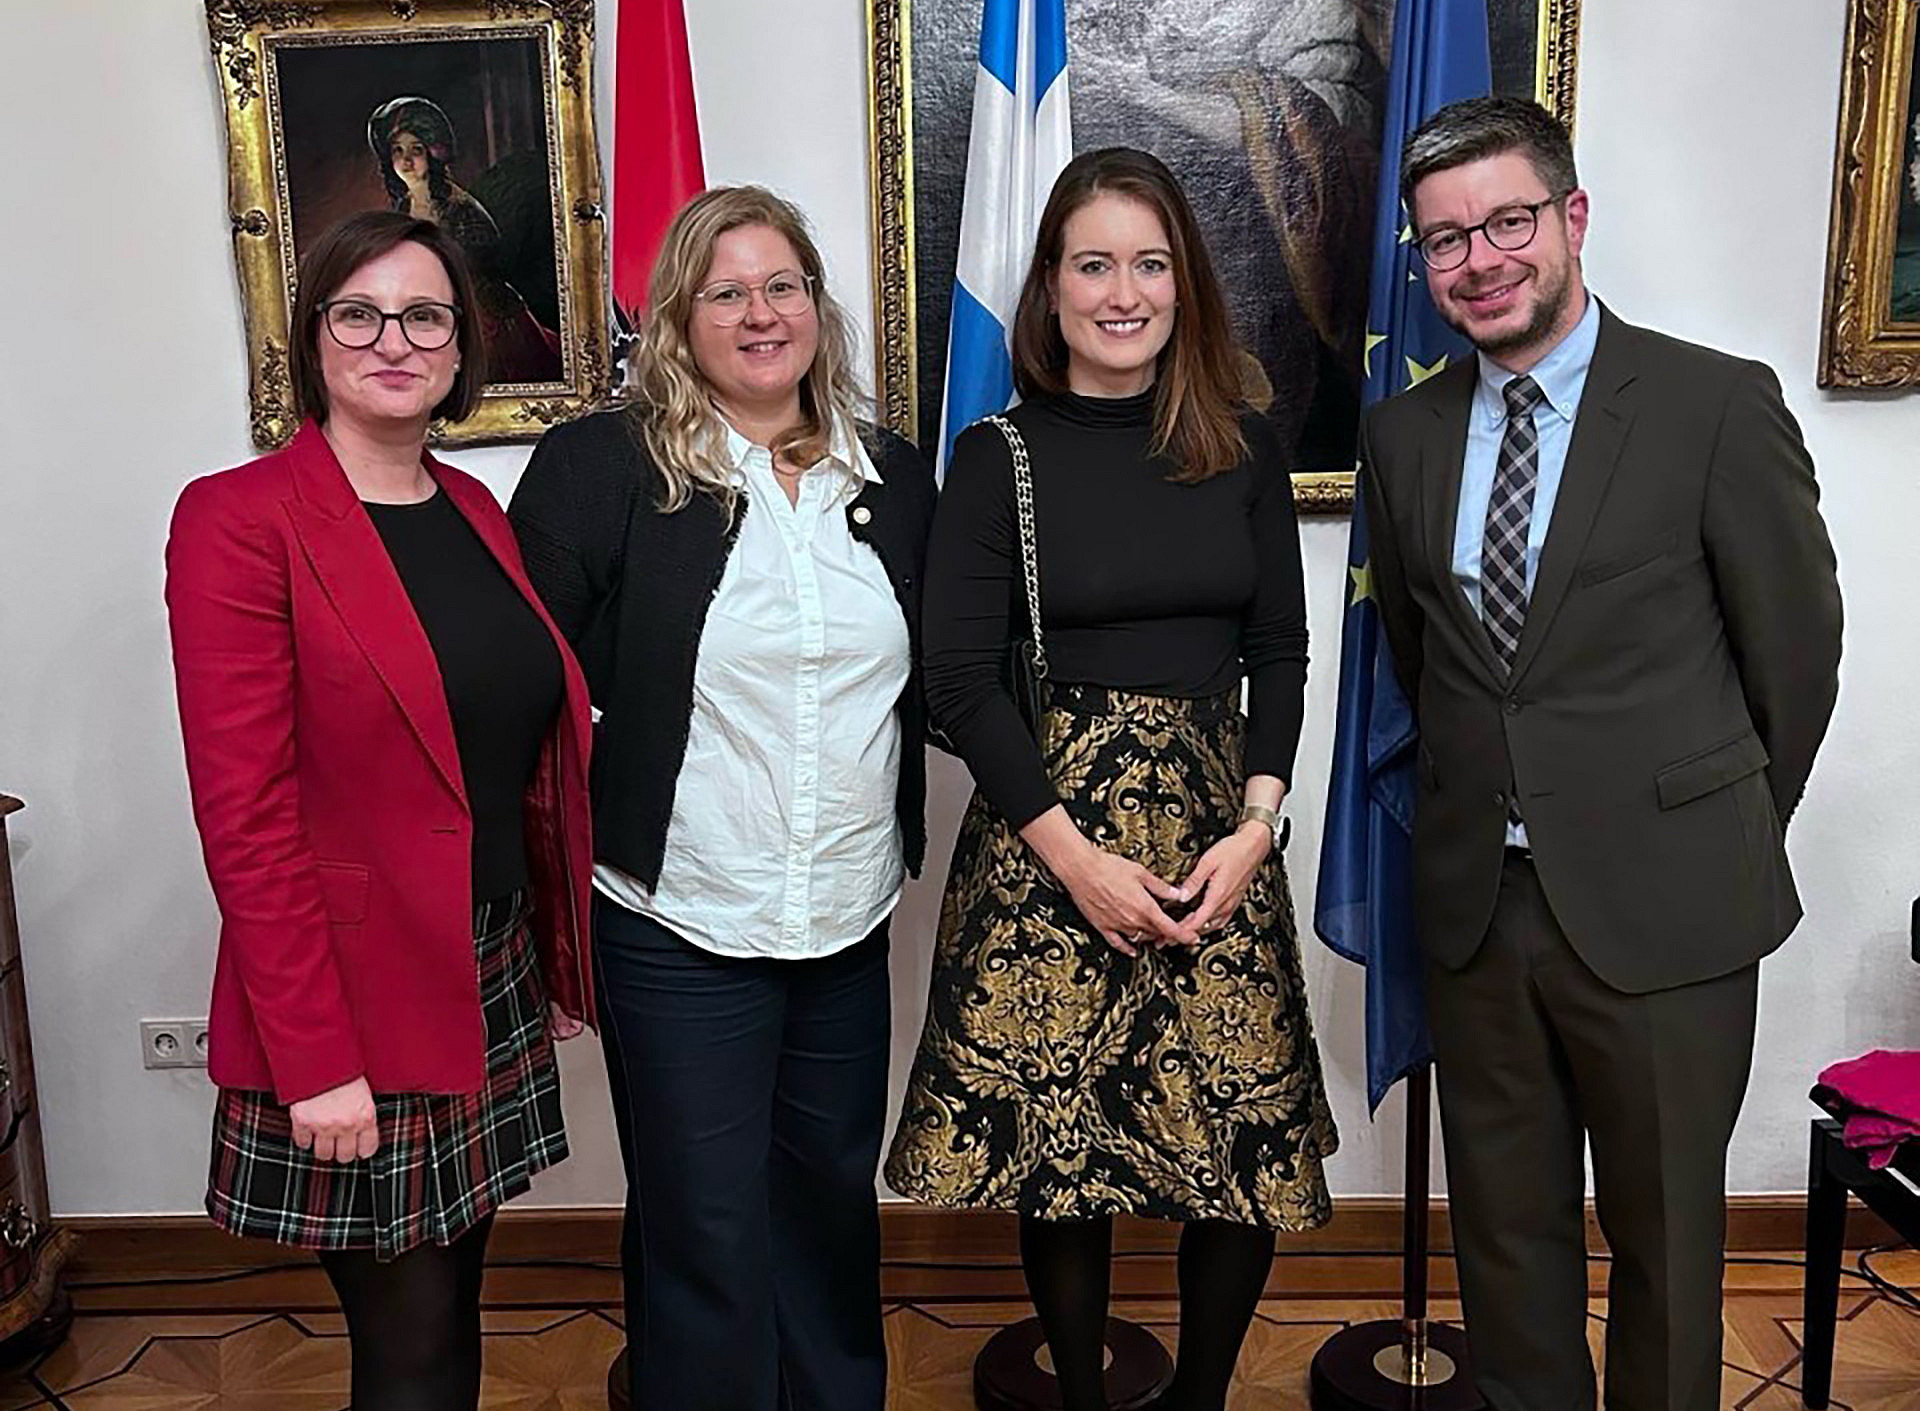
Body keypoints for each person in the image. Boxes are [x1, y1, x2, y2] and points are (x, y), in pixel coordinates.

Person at [1359, 96, 1843, 1411]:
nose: (1480, 258)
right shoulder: (1403, 437)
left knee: (1668, 1246)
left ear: (1571, 220)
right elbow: (1429, 660)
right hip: (1478, 907)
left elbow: (1793, 663)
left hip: (1670, 905)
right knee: (1506, 1250)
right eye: (1444, 239)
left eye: (1507, 220)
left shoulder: (1713, 406)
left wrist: (1702, 819)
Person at [887, 146, 1338, 1411]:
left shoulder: (1241, 445)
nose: (1122, 290)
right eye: (1094, 264)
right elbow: (960, 677)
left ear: (1184, 284)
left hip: (1215, 835)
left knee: (1240, 1147)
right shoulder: (995, 457)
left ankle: (1197, 1398)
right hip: (1049, 839)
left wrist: (1258, 826)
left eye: (1150, 263)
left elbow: (1279, 653)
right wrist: (1075, 860)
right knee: (1060, 1155)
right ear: (1051, 287)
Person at [507, 185, 937, 1411]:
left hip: (845, 919)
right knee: (703, 1223)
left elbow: (946, 673)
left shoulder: (892, 478)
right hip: (680, 913)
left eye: (784, 285)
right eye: (726, 292)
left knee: (827, 1199)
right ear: (681, 322)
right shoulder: (604, 467)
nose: (762, 314)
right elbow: (538, 684)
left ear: (818, 305)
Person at [166, 210, 595, 1411]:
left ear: (462, 350)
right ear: (313, 338)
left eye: (424, 316)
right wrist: (315, 1063)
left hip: (481, 963)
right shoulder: (237, 519)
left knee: (454, 1312)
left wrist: (549, 949)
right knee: (406, 1351)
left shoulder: (470, 509)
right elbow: (242, 816)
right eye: (358, 313)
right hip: (351, 998)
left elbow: (507, 753)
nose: (392, 340)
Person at [368, 95, 561, 382]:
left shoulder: (456, 204)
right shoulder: (403, 207)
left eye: (416, 150)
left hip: (478, 310)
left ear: (433, 154)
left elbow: (486, 251)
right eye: (397, 151)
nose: (406, 161)